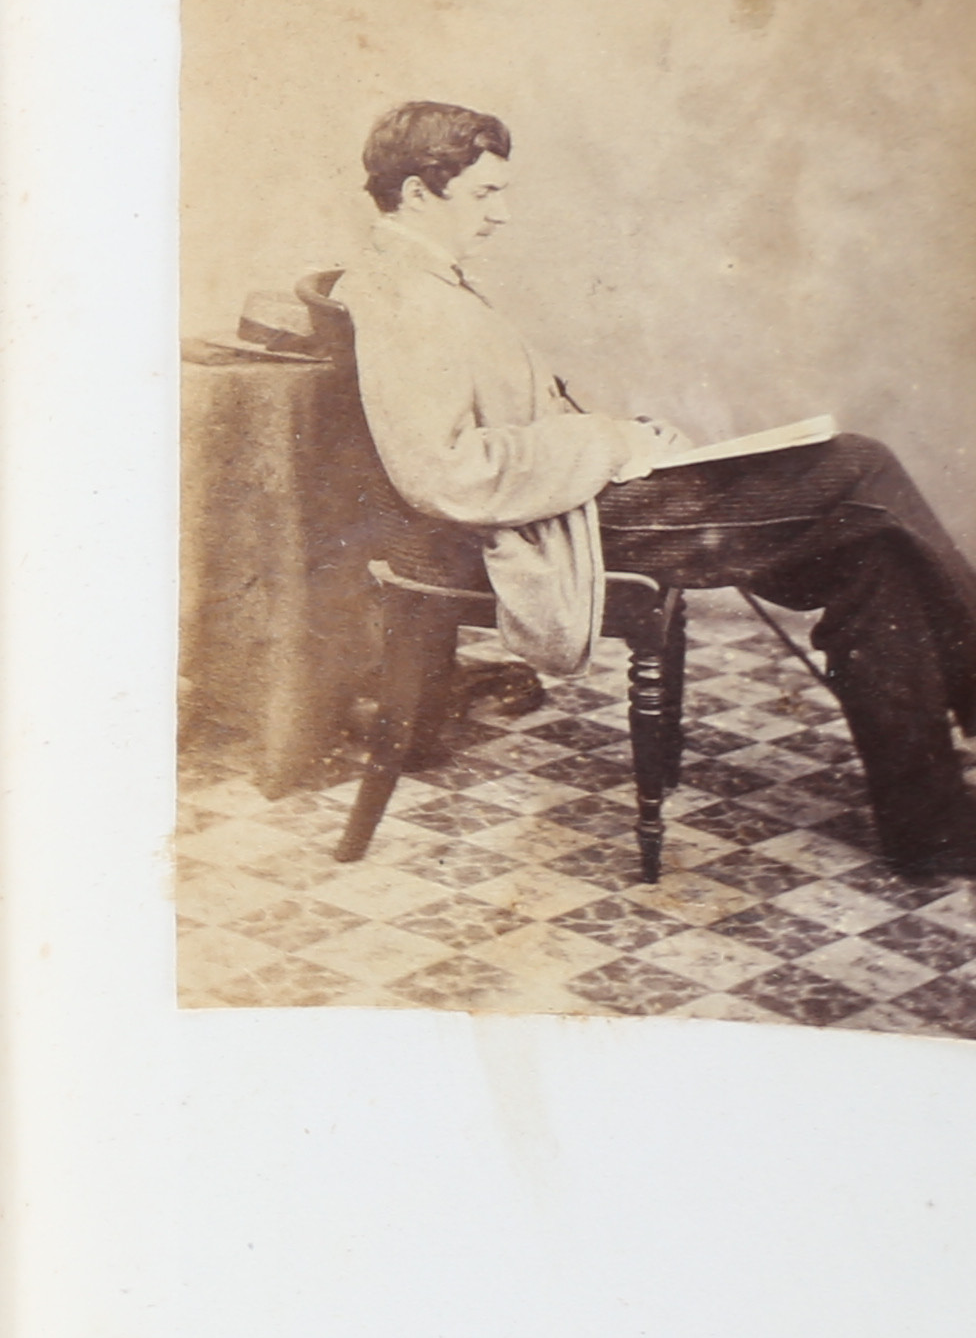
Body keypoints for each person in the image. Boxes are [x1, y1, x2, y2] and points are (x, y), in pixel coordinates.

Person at [339, 99, 976, 875]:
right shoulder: (405, 299)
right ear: (414, 194)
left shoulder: (421, 277)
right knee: (862, 464)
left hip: (577, 501)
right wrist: (608, 443)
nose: (502, 216)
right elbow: (446, 474)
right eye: (484, 195)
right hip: (553, 531)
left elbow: (519, 423)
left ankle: (931, 829)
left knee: (874, 560)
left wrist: (627, 439)